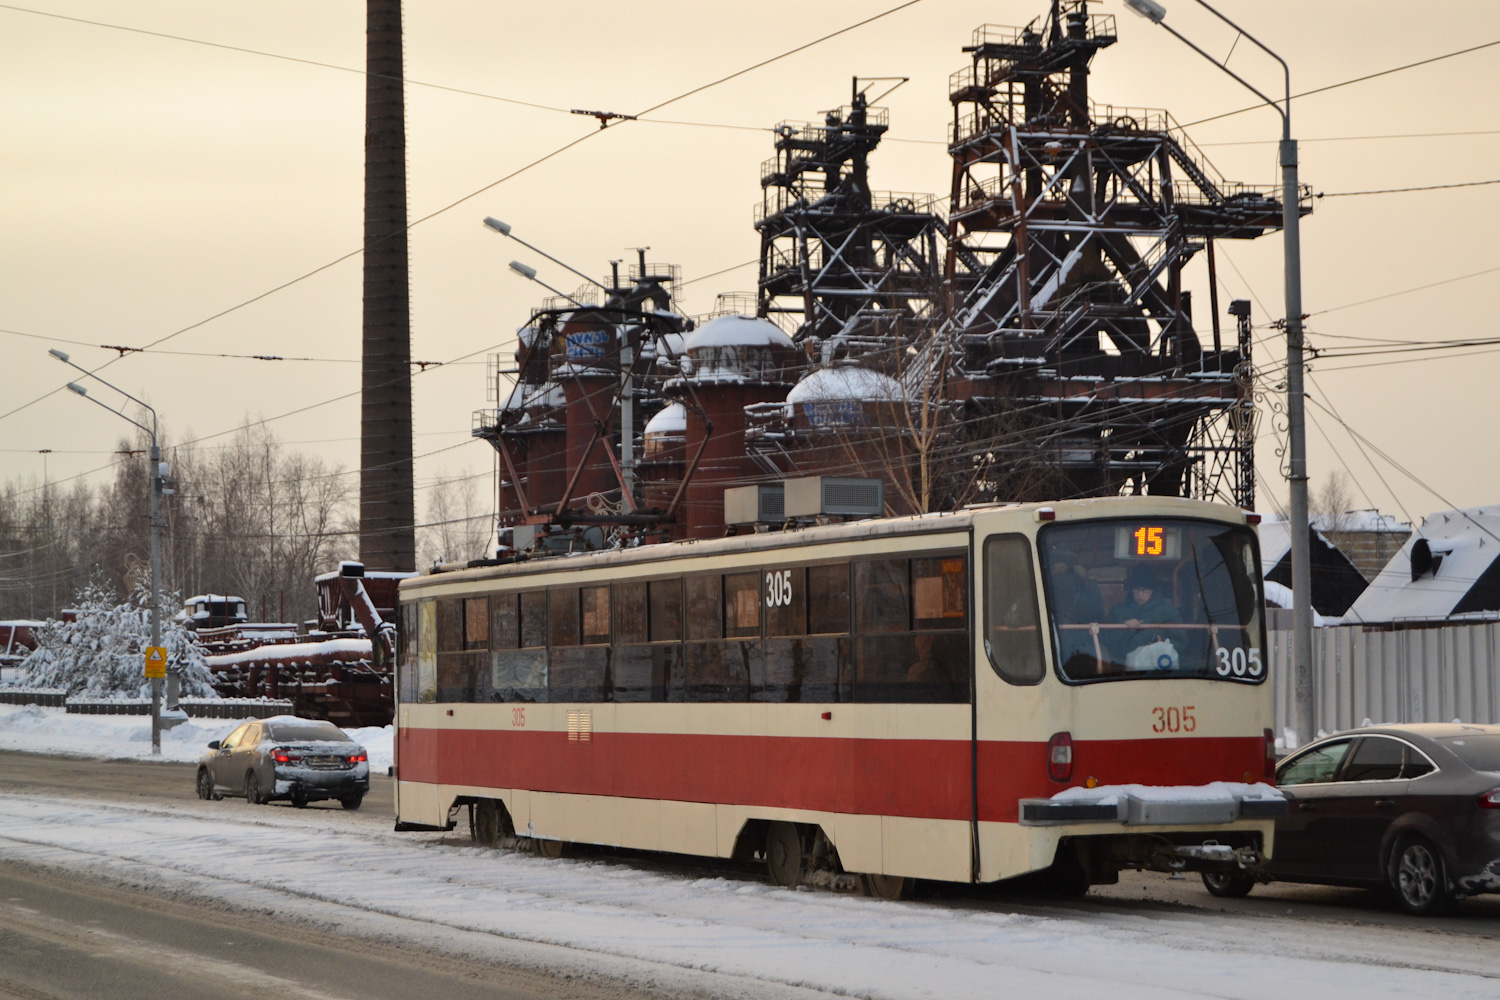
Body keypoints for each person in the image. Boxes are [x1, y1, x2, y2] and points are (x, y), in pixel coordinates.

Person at [1108, 563, 1180, 670]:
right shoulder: (1118, 611)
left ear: (1153, 590)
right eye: (1137, 589)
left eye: (1145, 590)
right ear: (1131, 590)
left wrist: (1163, 644)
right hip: (1122, 669)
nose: (1140, 595)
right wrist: (1122, 625)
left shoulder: (1168, 612)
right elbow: (1106, 641)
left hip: (1160, 670)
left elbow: (1182, 642)